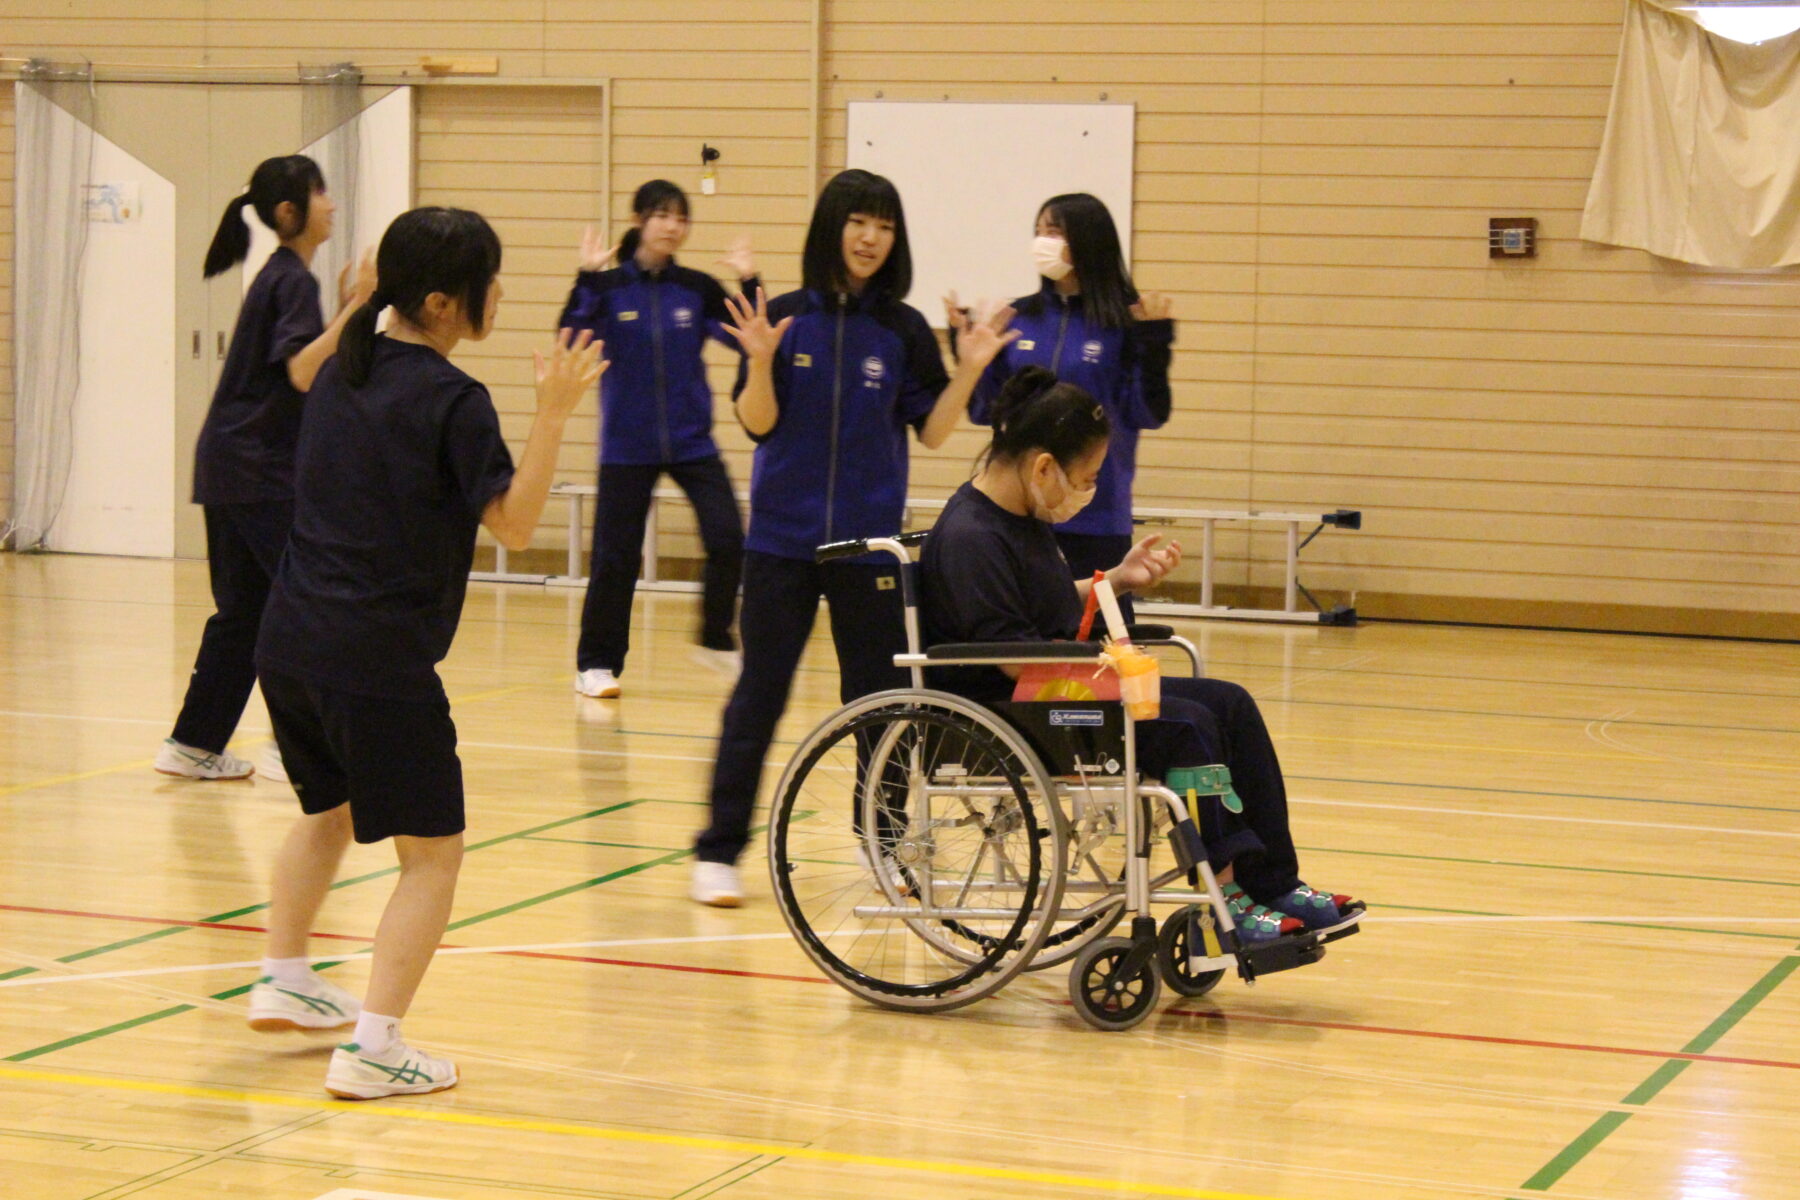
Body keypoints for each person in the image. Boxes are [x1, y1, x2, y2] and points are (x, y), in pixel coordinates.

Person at [246, 207, 604, 1099]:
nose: (501, 292)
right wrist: (554, 413)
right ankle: (373, 1048)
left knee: (326, 811)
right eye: (490, 279)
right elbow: (517, 527)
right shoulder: (453, 400)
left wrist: (360, 300)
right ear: (445, 303)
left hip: (288, 639)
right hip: (375, 655)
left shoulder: (342, 372)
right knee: (432, 855)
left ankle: (284, 974)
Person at [920, 367, 1362, 943]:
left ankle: (1273, 880)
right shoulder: (972, 537)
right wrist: (1109, 668)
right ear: (1043, 468)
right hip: (1015, 714)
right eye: (1087, 477)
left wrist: (1118, 581)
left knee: (1230, 703)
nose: (1090, 490)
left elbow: (1039, 607)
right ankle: (1225, 901)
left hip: (1059, 693)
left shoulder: (1021, 516)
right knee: (1188, 723)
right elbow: (1009, 658)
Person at [690, 168, 1019, 906]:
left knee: (881, 701)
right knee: (759, 695)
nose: (871, 238)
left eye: (885, 226)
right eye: (859, 222)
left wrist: (968, 373)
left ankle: (888, 844)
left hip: (869, 549)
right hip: (780, 543)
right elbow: (758, 422)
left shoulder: (901, 330)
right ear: (832, 227)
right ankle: (718, 850)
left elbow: (934, 432)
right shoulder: (785, 316)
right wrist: (762, 360)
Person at [155, 155, 375, 781]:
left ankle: (192, 745)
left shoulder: (287, 278)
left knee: (246, 614)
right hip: (254, 472)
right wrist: (361, 305)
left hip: (229, 467)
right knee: (305, 603)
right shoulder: (290, 281)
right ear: (291, 212)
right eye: (320, 193)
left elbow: (307, 364)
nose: (331, 204)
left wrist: (344, 310)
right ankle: (297, 749)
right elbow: (304, 371)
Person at [558, 179, 759, 699]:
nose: (674, 226)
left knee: (727, 537)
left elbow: (747, 335)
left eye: (681, 218)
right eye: (663, 215)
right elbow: (570, 334)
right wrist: (585, 276)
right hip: (626, 446)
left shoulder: (697, 288)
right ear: (640, 219)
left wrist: (750, 280)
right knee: (615, 559)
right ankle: (596, 665)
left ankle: (716, 638)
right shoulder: (607, 289)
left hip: (693, 442)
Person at [947, 192, 1174, 622]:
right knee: (1025, 645)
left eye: (1054, 232)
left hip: (1096, 516)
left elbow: (1147, 413)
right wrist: (971, 355)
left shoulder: (1125, 323)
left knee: (1103, 656)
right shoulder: (1019, 318)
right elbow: (985, 411)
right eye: (1038, 231)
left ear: (1087, 241)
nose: (1042, 242)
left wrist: (1155, 344)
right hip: (1017, 514)